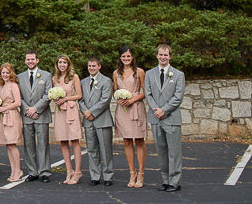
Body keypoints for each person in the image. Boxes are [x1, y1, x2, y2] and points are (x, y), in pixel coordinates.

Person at [145, 44, 185, 192]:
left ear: (170, 56)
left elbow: (178, 97)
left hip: (171, 117)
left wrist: (165, 110)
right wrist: (157, 110)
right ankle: (166, 180)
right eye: (160, 55)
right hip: (156, 118)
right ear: (157, 56)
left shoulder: (179, 75)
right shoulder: (150, 74)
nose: (163, 57)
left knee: (174, 151)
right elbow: (148, 94)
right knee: (161, 151)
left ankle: (175, 181)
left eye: (166, 55)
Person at [112, 45, 147, 188]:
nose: (126, 58)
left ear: (132, 57)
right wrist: (119, 99)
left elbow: (146, 92)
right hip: (123, 109)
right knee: (127, 141)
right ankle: (132, 173)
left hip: (136, 108)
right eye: (123, 56)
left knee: (139, 141)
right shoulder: (116, 73)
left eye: (128, 56)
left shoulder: (139, 72)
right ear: (120, 58)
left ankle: (141, 173)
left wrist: (133, 99)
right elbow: (115, 91)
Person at [79, 57, 114, 186]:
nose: (91, 68)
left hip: (102, 120)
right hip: (88, 121)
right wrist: (85, 112)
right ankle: (95, 176)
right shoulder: (83, 82)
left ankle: (108, 176)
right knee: (92, 149)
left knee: (106, 150)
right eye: (89, 66)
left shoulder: (106, 81)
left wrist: (92, 112)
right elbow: (80, 99)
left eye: (94, 66)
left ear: (99, 66)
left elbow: (105, 100)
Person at [18, 50, 52, 183]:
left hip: (41, 115)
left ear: (37, 60)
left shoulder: (46, 75)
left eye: (32, 59)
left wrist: (36, 109)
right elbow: (18, 96)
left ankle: (45, 172)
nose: (30, 61)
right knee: (29, 145)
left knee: (43, 144)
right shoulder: (20, 77)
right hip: (26, 115)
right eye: (28, 59)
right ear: (25, 61)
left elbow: (48, 94)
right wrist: (28, 110)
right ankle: (32, 171)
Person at [52, 55, 83, 184]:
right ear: (57, 64)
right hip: (60, 112)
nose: (62, 65)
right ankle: (69, 171)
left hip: (71, 110)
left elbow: (79, 95)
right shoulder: (55, 78)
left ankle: (77, 171)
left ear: (68, 64)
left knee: (74, 141)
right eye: (60, 62)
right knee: (63, 141)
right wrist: (56, 99)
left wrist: (65, 99)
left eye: (64, 62)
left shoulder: (74, 77)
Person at [0, 63, 23, 183]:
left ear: (11, 73)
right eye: (3, 73)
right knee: (7, 144)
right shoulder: (2, 86)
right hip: (2, 116)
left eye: (7, 72)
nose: (5, 75)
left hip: (11, 116)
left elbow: (18, 103)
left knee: (12, 143)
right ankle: (13, 170)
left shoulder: (13, 85)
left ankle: (18, 170)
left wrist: (3, 109)